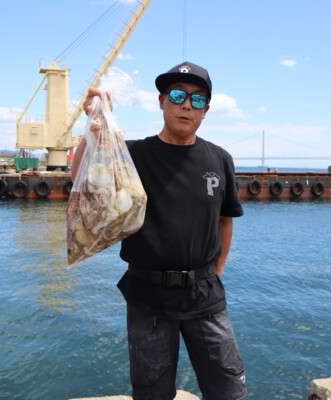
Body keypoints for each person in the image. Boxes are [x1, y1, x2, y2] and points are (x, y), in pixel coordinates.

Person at [72, 61, 246, 400]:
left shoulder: (220, 159)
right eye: (178, 95)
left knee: (228, 389)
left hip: (205, 295)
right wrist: (93, 124)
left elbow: (226, 218)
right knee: (152, 393)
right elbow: (81, 177)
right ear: (161, 101)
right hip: (147, 295)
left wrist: (217, 270)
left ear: (206, 110)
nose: (186, 105)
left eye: (197, 99)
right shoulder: (132, 154)